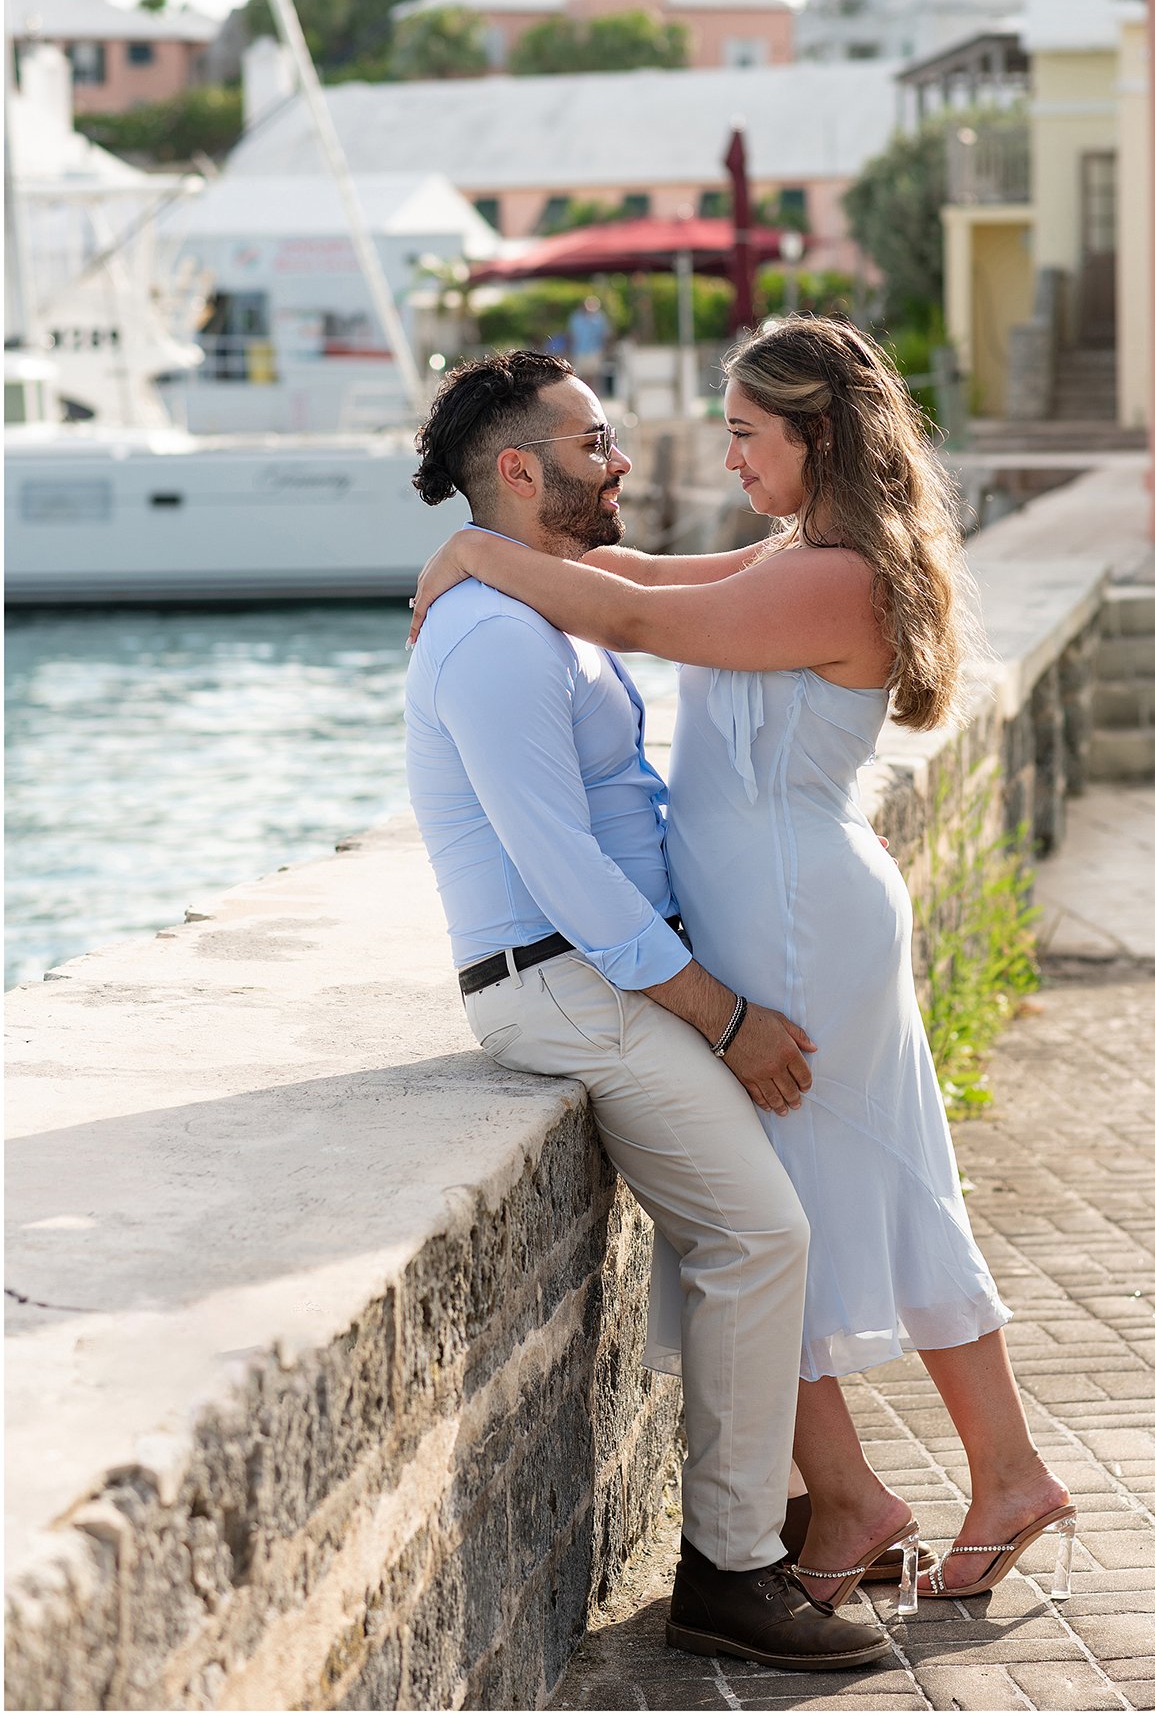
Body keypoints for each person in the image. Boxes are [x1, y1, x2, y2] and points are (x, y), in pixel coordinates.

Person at [409, 317, 1076, 1613]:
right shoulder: (800, 557)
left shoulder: (834, 578)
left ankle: (871, 1500)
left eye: (744, 436)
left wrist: (468, 548)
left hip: (791, 919)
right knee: (859, 1192)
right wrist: (496, 545)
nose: (725, 461)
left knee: (794, 1210)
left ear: (814, 437)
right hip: (784, 905)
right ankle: (982, 1480)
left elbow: (630, 619)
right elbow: (644, 576)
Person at [403, 348, 897, 1672]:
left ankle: (775, 1522)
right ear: (520, 470)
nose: (622, 462)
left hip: (600, 972)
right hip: (556, 983)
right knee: (756, 1232)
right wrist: (721, 1015)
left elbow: (672, 594)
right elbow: (559, 870)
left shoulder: (535, 607)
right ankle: (732, 1571)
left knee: (753, 1226)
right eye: (595, 442)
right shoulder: (495, 638)